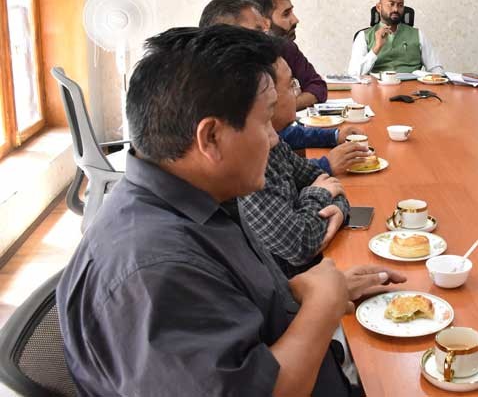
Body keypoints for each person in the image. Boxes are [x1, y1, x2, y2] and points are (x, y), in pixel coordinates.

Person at [56, 25, 405, 396]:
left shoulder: (198, 199)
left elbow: (224, 301)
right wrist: (321, 307)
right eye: (265, 120)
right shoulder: (154, 269)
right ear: (210, 138)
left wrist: (305, 294)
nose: (274, 138)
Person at [200, 0, 369, 175]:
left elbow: (286, 137)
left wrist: (333, 136)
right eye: (258, 32)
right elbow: (276, 196)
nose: (266, 38)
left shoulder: (275, 60)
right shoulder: (225, 109)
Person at [238, 52, 353, 277]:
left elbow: (329, 182)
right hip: (294, 290)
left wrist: (338, 210)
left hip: (309, 278)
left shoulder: (272, 141)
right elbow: (299, 245)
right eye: (291, 85)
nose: (298, 93)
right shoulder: (248, 159)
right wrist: (317, 195)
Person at [251, 0, 328, 109]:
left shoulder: (287, 48)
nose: (295, 20)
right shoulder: (245, 52)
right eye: (286, 14)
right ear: (264, 23)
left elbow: (318, 87)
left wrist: (287, 108)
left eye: (292, 12)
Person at [347, 0, 444, 76]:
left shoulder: (418, 34)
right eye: (391, 4)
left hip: (412, 90)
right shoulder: (363, 36)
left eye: (400, 5)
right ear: (378, 7)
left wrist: (437, 79)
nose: (396, 9)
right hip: (377, 89)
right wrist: (376, 48)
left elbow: (435, 68)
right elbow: (354, 73)